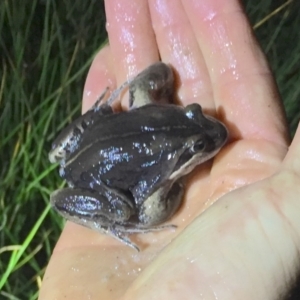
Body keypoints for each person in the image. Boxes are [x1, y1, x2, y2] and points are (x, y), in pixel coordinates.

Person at [38, 0, 300, 299]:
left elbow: (142, 84)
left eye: (194, 111)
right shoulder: (160, 137)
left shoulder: (153, 107)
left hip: (87, 146)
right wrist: (177, 184)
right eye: (200, 147)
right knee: (124, 209)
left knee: (106, 113)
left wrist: (163, 79)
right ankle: (110, 222)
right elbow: (151, 215)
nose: (215, 133)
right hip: (92, 179)